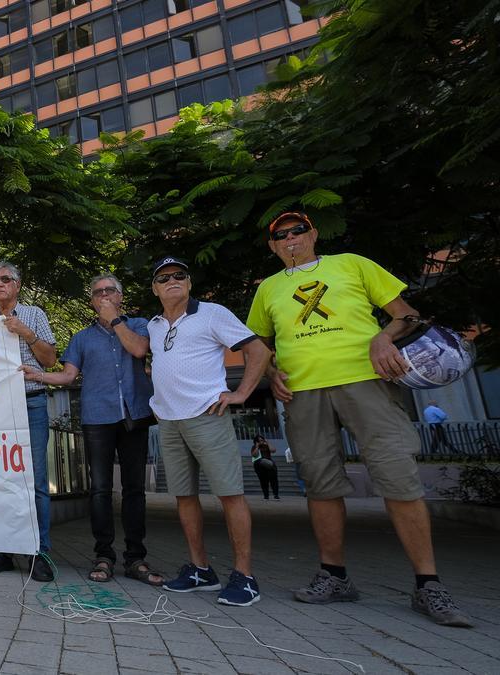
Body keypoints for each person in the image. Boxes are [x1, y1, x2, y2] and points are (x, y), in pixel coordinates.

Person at [246, 211, 471, 627]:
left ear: (313, 234)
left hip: (366, 382)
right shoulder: (269, 290)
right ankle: (334, 576)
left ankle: (428, 584)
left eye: (298, 231)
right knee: (320, 482)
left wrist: (384, 337)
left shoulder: (351, 263)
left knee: (397, 477)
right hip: (303, 393)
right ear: (273, 245)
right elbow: (257, 342)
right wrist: (272, 372)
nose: (291, 239)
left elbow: (407, 314)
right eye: (281, 235)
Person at [146, 257, 271, 607]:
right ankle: (200, 569)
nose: (172, 280)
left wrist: (241, 393)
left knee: (230, 494)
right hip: (169, 420)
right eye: (163, 277)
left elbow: (257, 349)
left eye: (179, 275)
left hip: (206, 415)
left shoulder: (212, 313)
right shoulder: (155, 326)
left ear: (189, 282)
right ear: (155, 289)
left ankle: (244, 577)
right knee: (184, 496)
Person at [24, 274, 163, 586]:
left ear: (120, 297)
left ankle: (135, 558)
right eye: (97, 292)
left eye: (109, 290)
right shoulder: (82, 338)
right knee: (100, 490)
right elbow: (67, 376)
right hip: (97, 417)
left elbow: (140, 350)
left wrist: (115, 321)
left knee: (134, 489)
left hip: (135, 414)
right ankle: (103, 555)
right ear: (91, 301)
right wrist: (39, 376)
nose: (103, 296)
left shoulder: (140, 325)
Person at [0, 261, 57, 582]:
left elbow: (50, 359)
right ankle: (2, 550)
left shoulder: (34, 314)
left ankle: (39, 552)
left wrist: (28, 334)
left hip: (30, 402)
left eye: (6, 279)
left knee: (34, 481)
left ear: (18, 285)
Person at [250, 435, 280, 500]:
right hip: (259, 465)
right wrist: (257, 446)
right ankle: (266, 496)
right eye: (259, 440)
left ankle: (276, 495)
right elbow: (254, 455)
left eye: (262, 440)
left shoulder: (266, 445)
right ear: (256, 441)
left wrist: (268, 443)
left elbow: (273, 450)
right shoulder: (254, 447)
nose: (261, 441)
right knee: (263, 481)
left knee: (274, 480)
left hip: (269, 464)